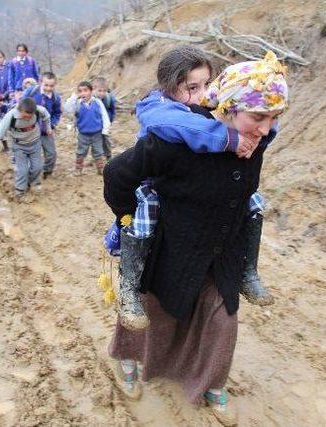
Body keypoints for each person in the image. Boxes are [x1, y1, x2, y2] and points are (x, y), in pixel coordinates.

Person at [103, 49, 288, 425]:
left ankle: (212, 384)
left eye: (272, 119)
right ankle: (127, 360)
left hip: (222, 246)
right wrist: (130, 217)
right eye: (258, 118)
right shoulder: (174, 137)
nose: (266, 128)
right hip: (172, 244)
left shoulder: (256, 136)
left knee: (223, 316)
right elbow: (118, 175)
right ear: (232, 107)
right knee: (150, 306)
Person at [0, 97, 51, 202]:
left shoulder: (38, 110)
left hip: (35, 144)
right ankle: (20, 192)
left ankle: (32, 183)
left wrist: (48, 128)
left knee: (37, 167)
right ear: (20, 110)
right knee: (23, 170)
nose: (27, 119)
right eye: (25, 116)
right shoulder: (12, 116)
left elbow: (46, 114)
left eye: (30, 117)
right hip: (19, 147)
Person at [64, 81, 110, 175]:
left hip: (97, 133)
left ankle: (100, 169)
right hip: (83, 134)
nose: (83, 93)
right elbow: (67, 109)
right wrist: (73, 97)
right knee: (81, 151)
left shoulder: (97, 102)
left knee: (98, 151)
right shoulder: (77, 104)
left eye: (85, 90)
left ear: (91, 91)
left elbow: (104, 116)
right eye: (80, 91)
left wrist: (105, 129)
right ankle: (78, 169)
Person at [22, 71, 62, 178]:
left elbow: (57, 113)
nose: (48, 88)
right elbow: (22, 105)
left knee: (51, 154)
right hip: (30, 129)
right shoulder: (31, 92)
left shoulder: (56, 98)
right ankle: (30, 173)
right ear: (40, 82)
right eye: (46, 85)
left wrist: (52, 125)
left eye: (51, 86)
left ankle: (47, 172)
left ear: (55, 85)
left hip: (46, 131)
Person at [93, 77, 116, 160]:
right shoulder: (92, 99)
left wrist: (110, 120)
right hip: (94, 124)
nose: (102, 93)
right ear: (94, 89)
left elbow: (112, 110)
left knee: (105, 140)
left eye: (104, 91)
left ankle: (108, 155)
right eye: (99, 91)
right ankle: (97, 157)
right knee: (95, 141)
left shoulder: (109, 99)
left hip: (104, 125)